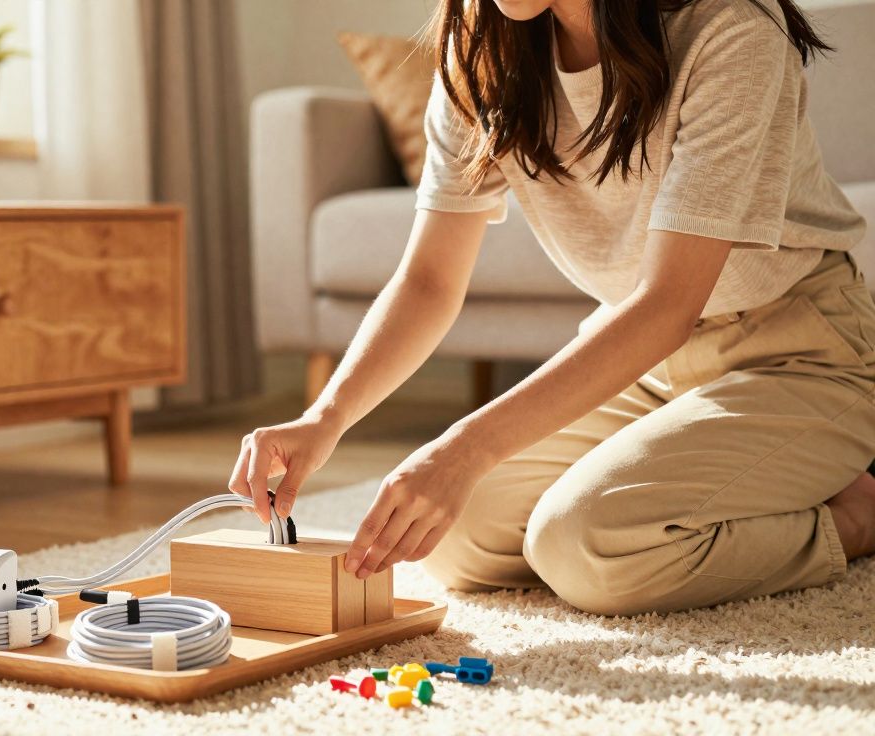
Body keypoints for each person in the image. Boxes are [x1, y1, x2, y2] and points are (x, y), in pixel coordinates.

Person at [229, 0, 874, 616]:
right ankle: (730, 479)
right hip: (648, 367)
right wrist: (325, 418)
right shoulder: (482, 47)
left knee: (582, 546)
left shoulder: (732, 31)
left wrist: (464, 449)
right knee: (451, 535)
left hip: (801, 350)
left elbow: (667, 305)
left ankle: (854, 517)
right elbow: (429, 280)